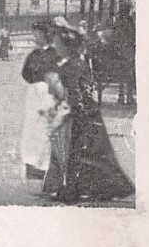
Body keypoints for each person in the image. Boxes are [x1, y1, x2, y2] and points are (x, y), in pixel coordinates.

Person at [42, 19, 134, 203]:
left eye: (58, 44)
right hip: (86, 113)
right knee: (87, 153)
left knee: (80, 153)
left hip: (81, 114)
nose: (55, 46)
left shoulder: (71, 66)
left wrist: (67, 111)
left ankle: (74, 189)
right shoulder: (74, 63)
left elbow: (76, 93)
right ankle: (73, 187)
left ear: (67, 46)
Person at [19, 20, 58, 180]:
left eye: (38, 33)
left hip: (49, 94)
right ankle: (32, 164)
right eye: (34, 33)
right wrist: (36, 84)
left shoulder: (55, 54)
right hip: (34, 94)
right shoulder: (33, 55)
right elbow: (25, 73)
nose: (35, 36)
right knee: (31, 129)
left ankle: (45, 165)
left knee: (46, 128)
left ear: (46, 35)